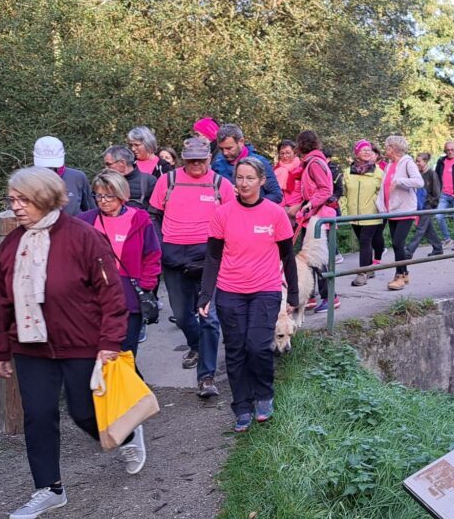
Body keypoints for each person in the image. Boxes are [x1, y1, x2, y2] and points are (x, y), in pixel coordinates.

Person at [0, 167, 139, 519]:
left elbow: (111, 295)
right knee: (38, 415)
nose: (16, 207)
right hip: (31, 346)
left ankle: (129, 437)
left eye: (24, 199)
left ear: (45, 198)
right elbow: (2, 301)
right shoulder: (12, 245)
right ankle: (49, 489)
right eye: (12, 200)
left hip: (81, 341)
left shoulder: (83, 237)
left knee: (84, 412)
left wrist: (110, 340)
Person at [198, 157, 298, 432]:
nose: (243, 183)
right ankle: (242, 406)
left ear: (262, 181)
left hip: (265, 290)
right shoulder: (222, 213)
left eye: (250, 178)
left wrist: (293, 295)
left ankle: (264, 395)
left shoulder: (275, 214)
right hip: (230, 291)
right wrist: (205, 294)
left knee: (257, 346)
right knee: (236, 351)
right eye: (239, 178)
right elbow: (212, 257)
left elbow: (288, 257)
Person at [149, 137, 235, 398]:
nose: (196, 163)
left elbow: (232, 219)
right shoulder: (168, 181)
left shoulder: (221, 184)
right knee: (182, 315)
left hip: (208, 258)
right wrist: (161, 246)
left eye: (201, 159)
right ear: (183, 159)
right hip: (174, 256)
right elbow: (153, 215)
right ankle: (196, 345)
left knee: (209, 317)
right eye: (191, 159)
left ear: (209, 158)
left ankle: (206, 377)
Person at [77, 170, 161, 359]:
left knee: (126, 351)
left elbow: (152, 254)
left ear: (122, 195)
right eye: (99, 195)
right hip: (95, 294)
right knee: (98, 349)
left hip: (129, 293)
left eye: (109, 195)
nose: (103, 200)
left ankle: (126, 378)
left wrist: (146, 285)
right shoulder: (85, 221)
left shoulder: (139, 219)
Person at [291, 130, 339, 312]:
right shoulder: (311, 162)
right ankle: (309, 295)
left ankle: (330, 296)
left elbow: (325, 190)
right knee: (309, 256)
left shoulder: (314, 164)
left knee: (318, 257)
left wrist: (310, 204)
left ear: (301, 145)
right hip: (312, 216)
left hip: (318, 216)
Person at [376, 135, 424, 290]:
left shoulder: (408, 162)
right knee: (397, 244)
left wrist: (399, 181)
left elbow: (419, 182)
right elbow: (384, 187)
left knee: (398, 243)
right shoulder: (389, 165)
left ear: (393, 148)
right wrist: (381, 205)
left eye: (387, 147)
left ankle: (399, 277)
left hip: (405, 210)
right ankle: (405, 273)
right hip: (392, 210)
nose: (385, 149)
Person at [344, 140, 384, 287]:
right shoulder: (348, 172)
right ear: (357, 153)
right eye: (363, 150)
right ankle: (370, 269)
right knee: (363, 241)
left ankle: (362, 274)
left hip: (371, 213)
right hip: (354, 213)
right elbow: (345, 192)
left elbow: (383, 192)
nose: (367, 152)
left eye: (369, 150)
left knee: (365, 241)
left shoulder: (378, 172)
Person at [212, 124, 283, 203]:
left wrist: (253, 203)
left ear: (241, 142)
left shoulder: (260, 162)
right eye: (221, 149)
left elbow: (276, 195)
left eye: (229, 148)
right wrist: (225, 190)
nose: (225, 153)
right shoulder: (217, 163)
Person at [32, 136, 95, 216]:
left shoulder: (77, 178)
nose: (50, 169)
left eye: (53, 165)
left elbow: (91, 212)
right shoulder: (26, 180)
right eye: (45, 166)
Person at [405, 152, 445, 258]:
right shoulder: (418, 173)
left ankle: (409, 251)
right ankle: (438, 248)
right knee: (428, 228)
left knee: (420, 229)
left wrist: (431, 204)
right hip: (420, 204)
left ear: (425, 161)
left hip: (427, 205)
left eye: (419, 161)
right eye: (416, 161)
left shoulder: (432, 174)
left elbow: (436, 192)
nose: (417, 163)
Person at [103, 145, 157, 212]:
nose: (106, 168)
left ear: (122, 163)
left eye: (108, 164)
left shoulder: (149, 181)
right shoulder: (105, 182)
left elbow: (155, 212)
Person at [274, 140, 301, 209]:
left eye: (288, 153)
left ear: (295, 153)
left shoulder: (302, 168)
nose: (285, 156)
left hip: (299, 208)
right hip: (280, 208)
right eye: (282, 153)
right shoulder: (276, 170)